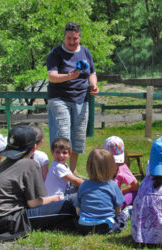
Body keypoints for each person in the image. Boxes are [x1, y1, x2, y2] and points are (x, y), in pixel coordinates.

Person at [0, 125, 76, 242]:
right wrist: (54, 199)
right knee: (67, 205)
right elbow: (34, 203)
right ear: (34, 148)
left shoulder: (5, 163)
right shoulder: (30, 164)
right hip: (9, 221)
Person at [46, 21, 99, 173]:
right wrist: (69, 76)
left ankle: (72, 171)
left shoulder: (85, 52)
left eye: (75, 39)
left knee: (78, 137)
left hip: (81, 99)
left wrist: (93, 85)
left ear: (79, 38)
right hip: (59, 98)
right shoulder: (55, 53)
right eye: (69, 38)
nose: (72, 41)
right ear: (64, 37)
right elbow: (52, 77)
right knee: (62, 136)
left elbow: (92, 73)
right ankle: (60, 172)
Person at [74, 148, 130, 235]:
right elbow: (118, 210)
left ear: (89, 167)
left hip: (83, 226)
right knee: (120, 218)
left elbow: (77, 209)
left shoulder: (83, 185)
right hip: (106, 226)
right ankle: (127, 213)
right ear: (112, 168)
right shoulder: (113, 185)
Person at [104, 136, 139, 209]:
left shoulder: (97, 165)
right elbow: (136, 187)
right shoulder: (122, 166)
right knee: (135, 194)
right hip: (116, 203)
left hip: (100, 201)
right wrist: (122, 192)